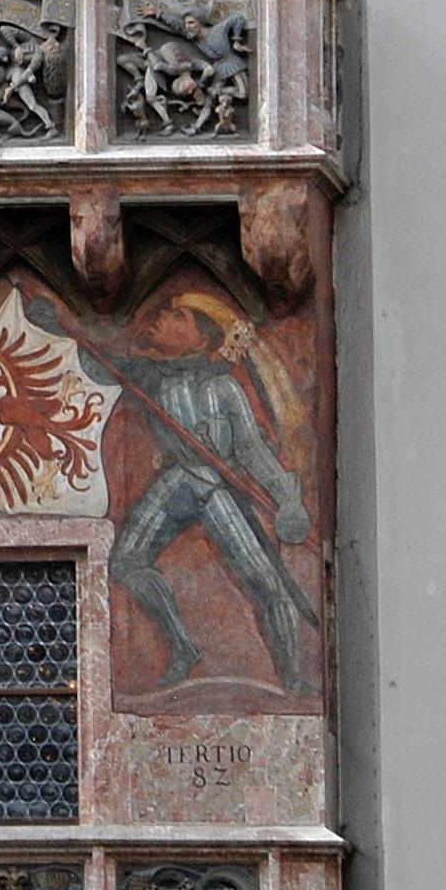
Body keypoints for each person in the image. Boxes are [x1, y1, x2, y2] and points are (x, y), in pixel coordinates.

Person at [110, 291, 313, 693]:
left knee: (266, 582)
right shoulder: (151, 377)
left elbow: (252, 450)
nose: (162, 319)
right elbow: (99, 365)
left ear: (203, 337)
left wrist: (287, 499)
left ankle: (290, 676)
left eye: (178, 317)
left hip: (218, 487)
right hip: (178, 480)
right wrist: (51, 324)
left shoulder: (222, 388)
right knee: (126, 561)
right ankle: (184, 649)